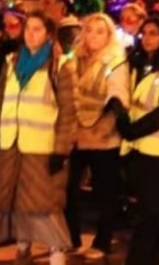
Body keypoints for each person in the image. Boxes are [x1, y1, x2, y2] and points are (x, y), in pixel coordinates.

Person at [0, 10, 77, 265]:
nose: (30, 34)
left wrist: (61, 149)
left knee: (44, 204)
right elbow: (1, 102)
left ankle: (56, 250)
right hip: (13, 144)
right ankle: (23, 246)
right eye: (28, 29)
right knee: (16, 200)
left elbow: (69, 111)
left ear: (49, 34)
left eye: (37, 29)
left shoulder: (60, 66)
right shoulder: (12, 62)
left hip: (42, 147)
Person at [107, 15, 159, 264]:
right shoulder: (141, 63)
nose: (147, 38)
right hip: (139, 145)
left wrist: (133, 129)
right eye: (145, 33)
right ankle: (140, 257)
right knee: (147, 207)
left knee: (154, 206)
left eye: (154, 33)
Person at [64, 13, 129, 259]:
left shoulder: (114, 60)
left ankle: (103, 241)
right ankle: (72, 238)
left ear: (109, 35)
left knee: (105, 192)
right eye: (89, 30)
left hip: (103, 134)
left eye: (99, 31)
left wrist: (111, 107)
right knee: (68, 188)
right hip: (76, 133)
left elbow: (117, 93)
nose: (93, 36)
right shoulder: (74, 59)